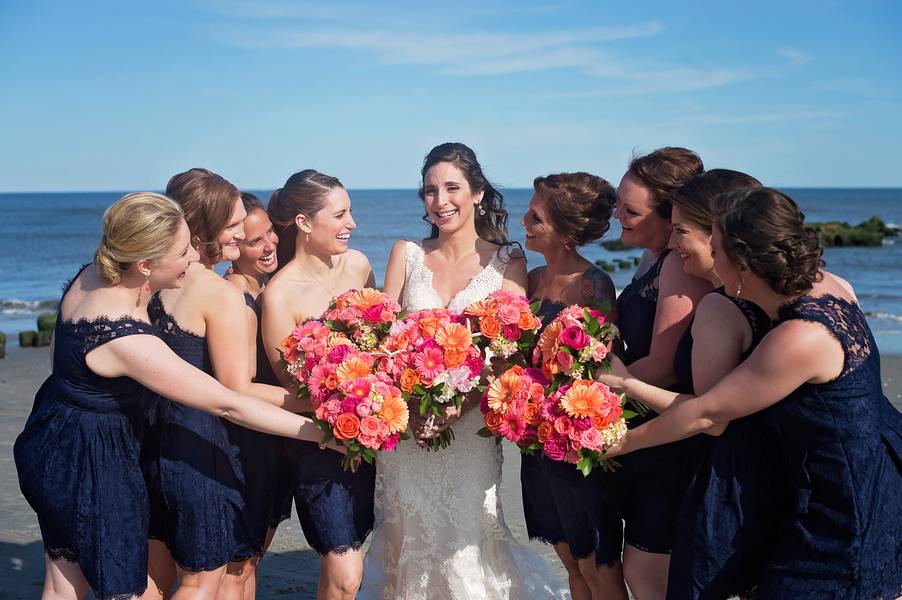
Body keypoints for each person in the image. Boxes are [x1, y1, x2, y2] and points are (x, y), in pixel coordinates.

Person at [13, 192, 339, 600]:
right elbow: (227, 402)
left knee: (64, 581)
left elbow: (56, 353)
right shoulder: (123, 337)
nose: (194, 257)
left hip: (50, 433)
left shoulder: (93, 274)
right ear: (145, 265)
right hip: (92, 458)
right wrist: (321, 433)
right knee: (121, 588)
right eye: (183, 252)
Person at [599, 187, 902, 600]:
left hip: (839, 501)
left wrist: (620, 444)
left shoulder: (801, 337)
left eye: (717, 248)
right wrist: (626, 384)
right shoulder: (831, 287)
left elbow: (707, 414)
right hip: (867, 468)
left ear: (743, 265)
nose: (708, 257)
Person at [360, 142, 567, 599]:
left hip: (471, 430)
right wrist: (408, 409)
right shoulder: (406, 253)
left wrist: (460, 406)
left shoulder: (508, 260)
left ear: (476, 193)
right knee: (405, 538)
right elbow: (381, 341)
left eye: (452, 187)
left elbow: (509, 352)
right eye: (430, 191)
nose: (440, 201)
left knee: (468, 543)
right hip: (408, 432)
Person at [607, 170, 777, 598]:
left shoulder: (722, 306)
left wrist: (620, 389)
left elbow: (707, 412)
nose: (671, 243)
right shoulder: (747, 298)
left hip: (719, 466)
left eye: (680, 231)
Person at [147, 169, 303, 599]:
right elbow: (237, 391)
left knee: (153, 576)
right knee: (203, 581)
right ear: (202, 229)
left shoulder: (147, 282)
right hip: (199, 447)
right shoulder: (218, 294)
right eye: (234, 225)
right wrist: (318, 406)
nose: (243, 232)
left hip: (143, 439)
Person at [261, 169, 377, 600]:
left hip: (374, 436)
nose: (352, 224)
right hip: (318, 445)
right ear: (305, 224)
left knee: (351, 567)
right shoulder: (280, 295)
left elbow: (383, 344)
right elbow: (290, 389)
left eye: (351, 212)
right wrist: (342, 412)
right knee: (346, 571)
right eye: (341, 214)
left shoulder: (360, 265)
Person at [519, 172, 627, 600]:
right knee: (567, 555)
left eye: (536, 217)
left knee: (596, 561)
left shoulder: (593, 284)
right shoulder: (531, 279)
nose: (524, 222)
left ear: (565, 234)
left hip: (576, 438)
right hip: (535, 438)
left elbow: (600, 369)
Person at [612, 147, 711, 599]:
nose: (618, 216)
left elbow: (666, 366)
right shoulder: (652, 257)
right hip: (645, 424)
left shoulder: (677, 263)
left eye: (630, 210)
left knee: (648, 572)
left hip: (673, 437)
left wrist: (583, 398)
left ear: (671, 214)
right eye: (619, 203)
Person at [224, 191, 292, 597]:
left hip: (269, 442)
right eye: (255, 241)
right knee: (238, 564)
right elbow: (239, 387)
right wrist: (314, 405)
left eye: (270, 233)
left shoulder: (264, 290)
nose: (269, 245)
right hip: (244, 445)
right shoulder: (236, 297)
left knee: (250, 560)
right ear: (233, 247)